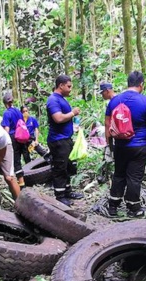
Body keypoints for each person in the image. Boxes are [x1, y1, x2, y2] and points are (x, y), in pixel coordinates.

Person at [104, 71, 146, 218]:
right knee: (134, 177)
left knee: (119, 174)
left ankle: (113, 206)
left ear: (128, 83)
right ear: (141, 84)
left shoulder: (114, 101)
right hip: (139, 146)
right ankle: (134, 207)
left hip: (120, 146)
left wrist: (110, 148)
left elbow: (108, 127)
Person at [46, 74, 84, 206]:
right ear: (60, 85)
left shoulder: (60, 99)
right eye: (68, 86)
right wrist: (73, 113)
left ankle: (67, 191)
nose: (70, 89)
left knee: (68, 166)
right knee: (60, 167)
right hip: (58, 140)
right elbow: (58, 118)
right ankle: (60, 195)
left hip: (65, 138)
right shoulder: (53, 100)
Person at [1, 92, 26, 187]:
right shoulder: (18, 111)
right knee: (18, 159)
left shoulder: (7, 113)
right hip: (21, 137)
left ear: (5, 103)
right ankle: (21, 181)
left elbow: (6, 129)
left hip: (13, 138)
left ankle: (21, 183)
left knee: (15, 160)